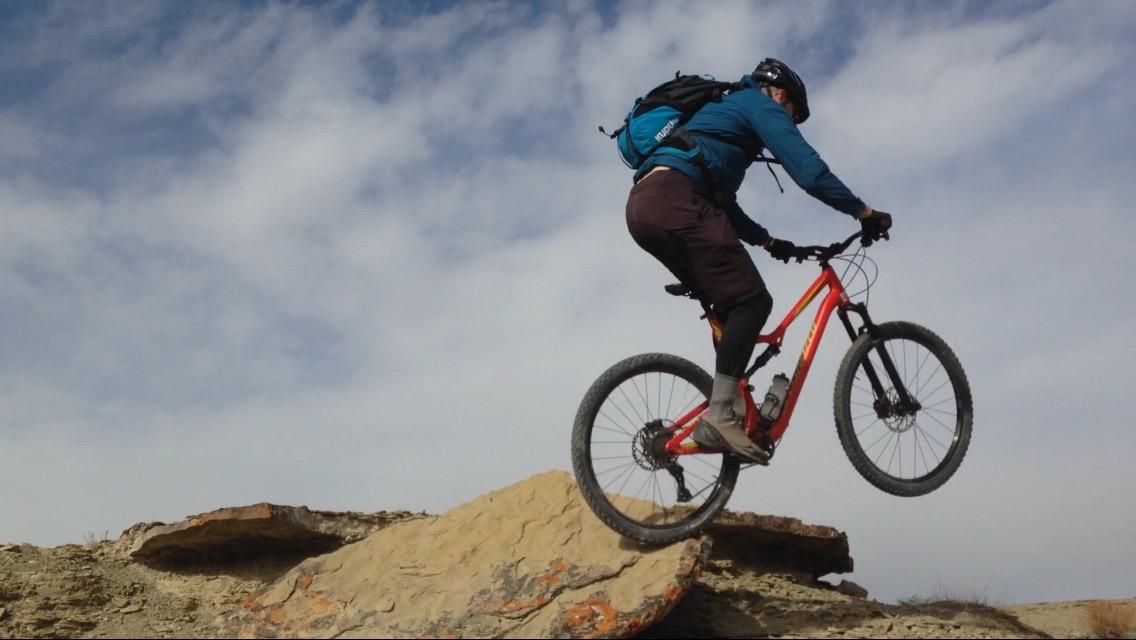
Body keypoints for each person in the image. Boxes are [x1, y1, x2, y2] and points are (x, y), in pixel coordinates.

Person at [624, 58, 893, 463]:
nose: (786, 125)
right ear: (782, 95)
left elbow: (722, 204)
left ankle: (728, 409)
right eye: (791, 117)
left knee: (734, 308)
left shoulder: (720, 123)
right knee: (753, 301)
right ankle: (719, 415)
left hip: (646, 207)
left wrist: (769, 242)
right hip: (678, 201)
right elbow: (810, 173)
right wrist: (863, 212)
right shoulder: (758, 104)